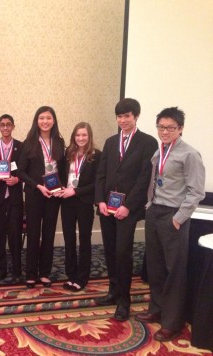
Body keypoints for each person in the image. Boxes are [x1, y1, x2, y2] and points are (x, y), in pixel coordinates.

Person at [135, 107, 205, 342]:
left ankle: (172, 322)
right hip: (155, 212)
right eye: (161, 127)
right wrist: (148, 205)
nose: (164, 131)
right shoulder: (160, 150)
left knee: (174, 270)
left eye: (170, 128)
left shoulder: (190, 154)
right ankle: (157, 309)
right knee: (155, 266)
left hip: (173, 216)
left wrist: (178, 218)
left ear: (181, 129)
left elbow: (196, 192)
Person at [94, 98, 157, 322]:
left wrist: (128, 206)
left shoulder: (148, 142)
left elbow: (144, 178)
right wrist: (99, 201)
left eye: (127, 116)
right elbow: (101, 174)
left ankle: (124, 301)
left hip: (127, 209)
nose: (122, 120)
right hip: (107, 207)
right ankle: (113, 292)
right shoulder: (111, 142)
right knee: (110, 250)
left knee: (123, 252)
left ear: (136, 116)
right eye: (119, 116)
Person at [18, 106, 66, 289]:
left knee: (49, 233)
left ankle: (44, 272)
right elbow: (20, 171)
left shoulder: (60, 142)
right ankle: (31, 273)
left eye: (48, 118)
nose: (45, 121)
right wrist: (38, 185)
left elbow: (63, 169)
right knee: (33, 233)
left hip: (54, 195)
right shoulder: (28, 142)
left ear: (53, 121)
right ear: (36, 121)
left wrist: (60, 187)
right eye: (41, 118)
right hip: (34, 194)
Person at [59, 122, 101, 292]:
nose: (81, 138)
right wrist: (59, 187)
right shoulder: (68, 154)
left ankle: (82, 278)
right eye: (78, 135)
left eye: (84, 135)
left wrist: (75, 191)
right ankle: (71, 275)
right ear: (73, 137)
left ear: (89, 136)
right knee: (69, 239)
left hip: (84, 202)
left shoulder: (97, 156)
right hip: (67, 202)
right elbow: (62, 176)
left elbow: (97, 183)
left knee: (84, 239)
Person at [0, 114, 23, 283]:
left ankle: (17, 270)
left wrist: (18, 179)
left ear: (13, 126)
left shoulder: (21, 147)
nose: (6, 127)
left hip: (15, 197)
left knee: (15, 233)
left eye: (9, 124)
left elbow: (25, 172)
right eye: (2, 125)